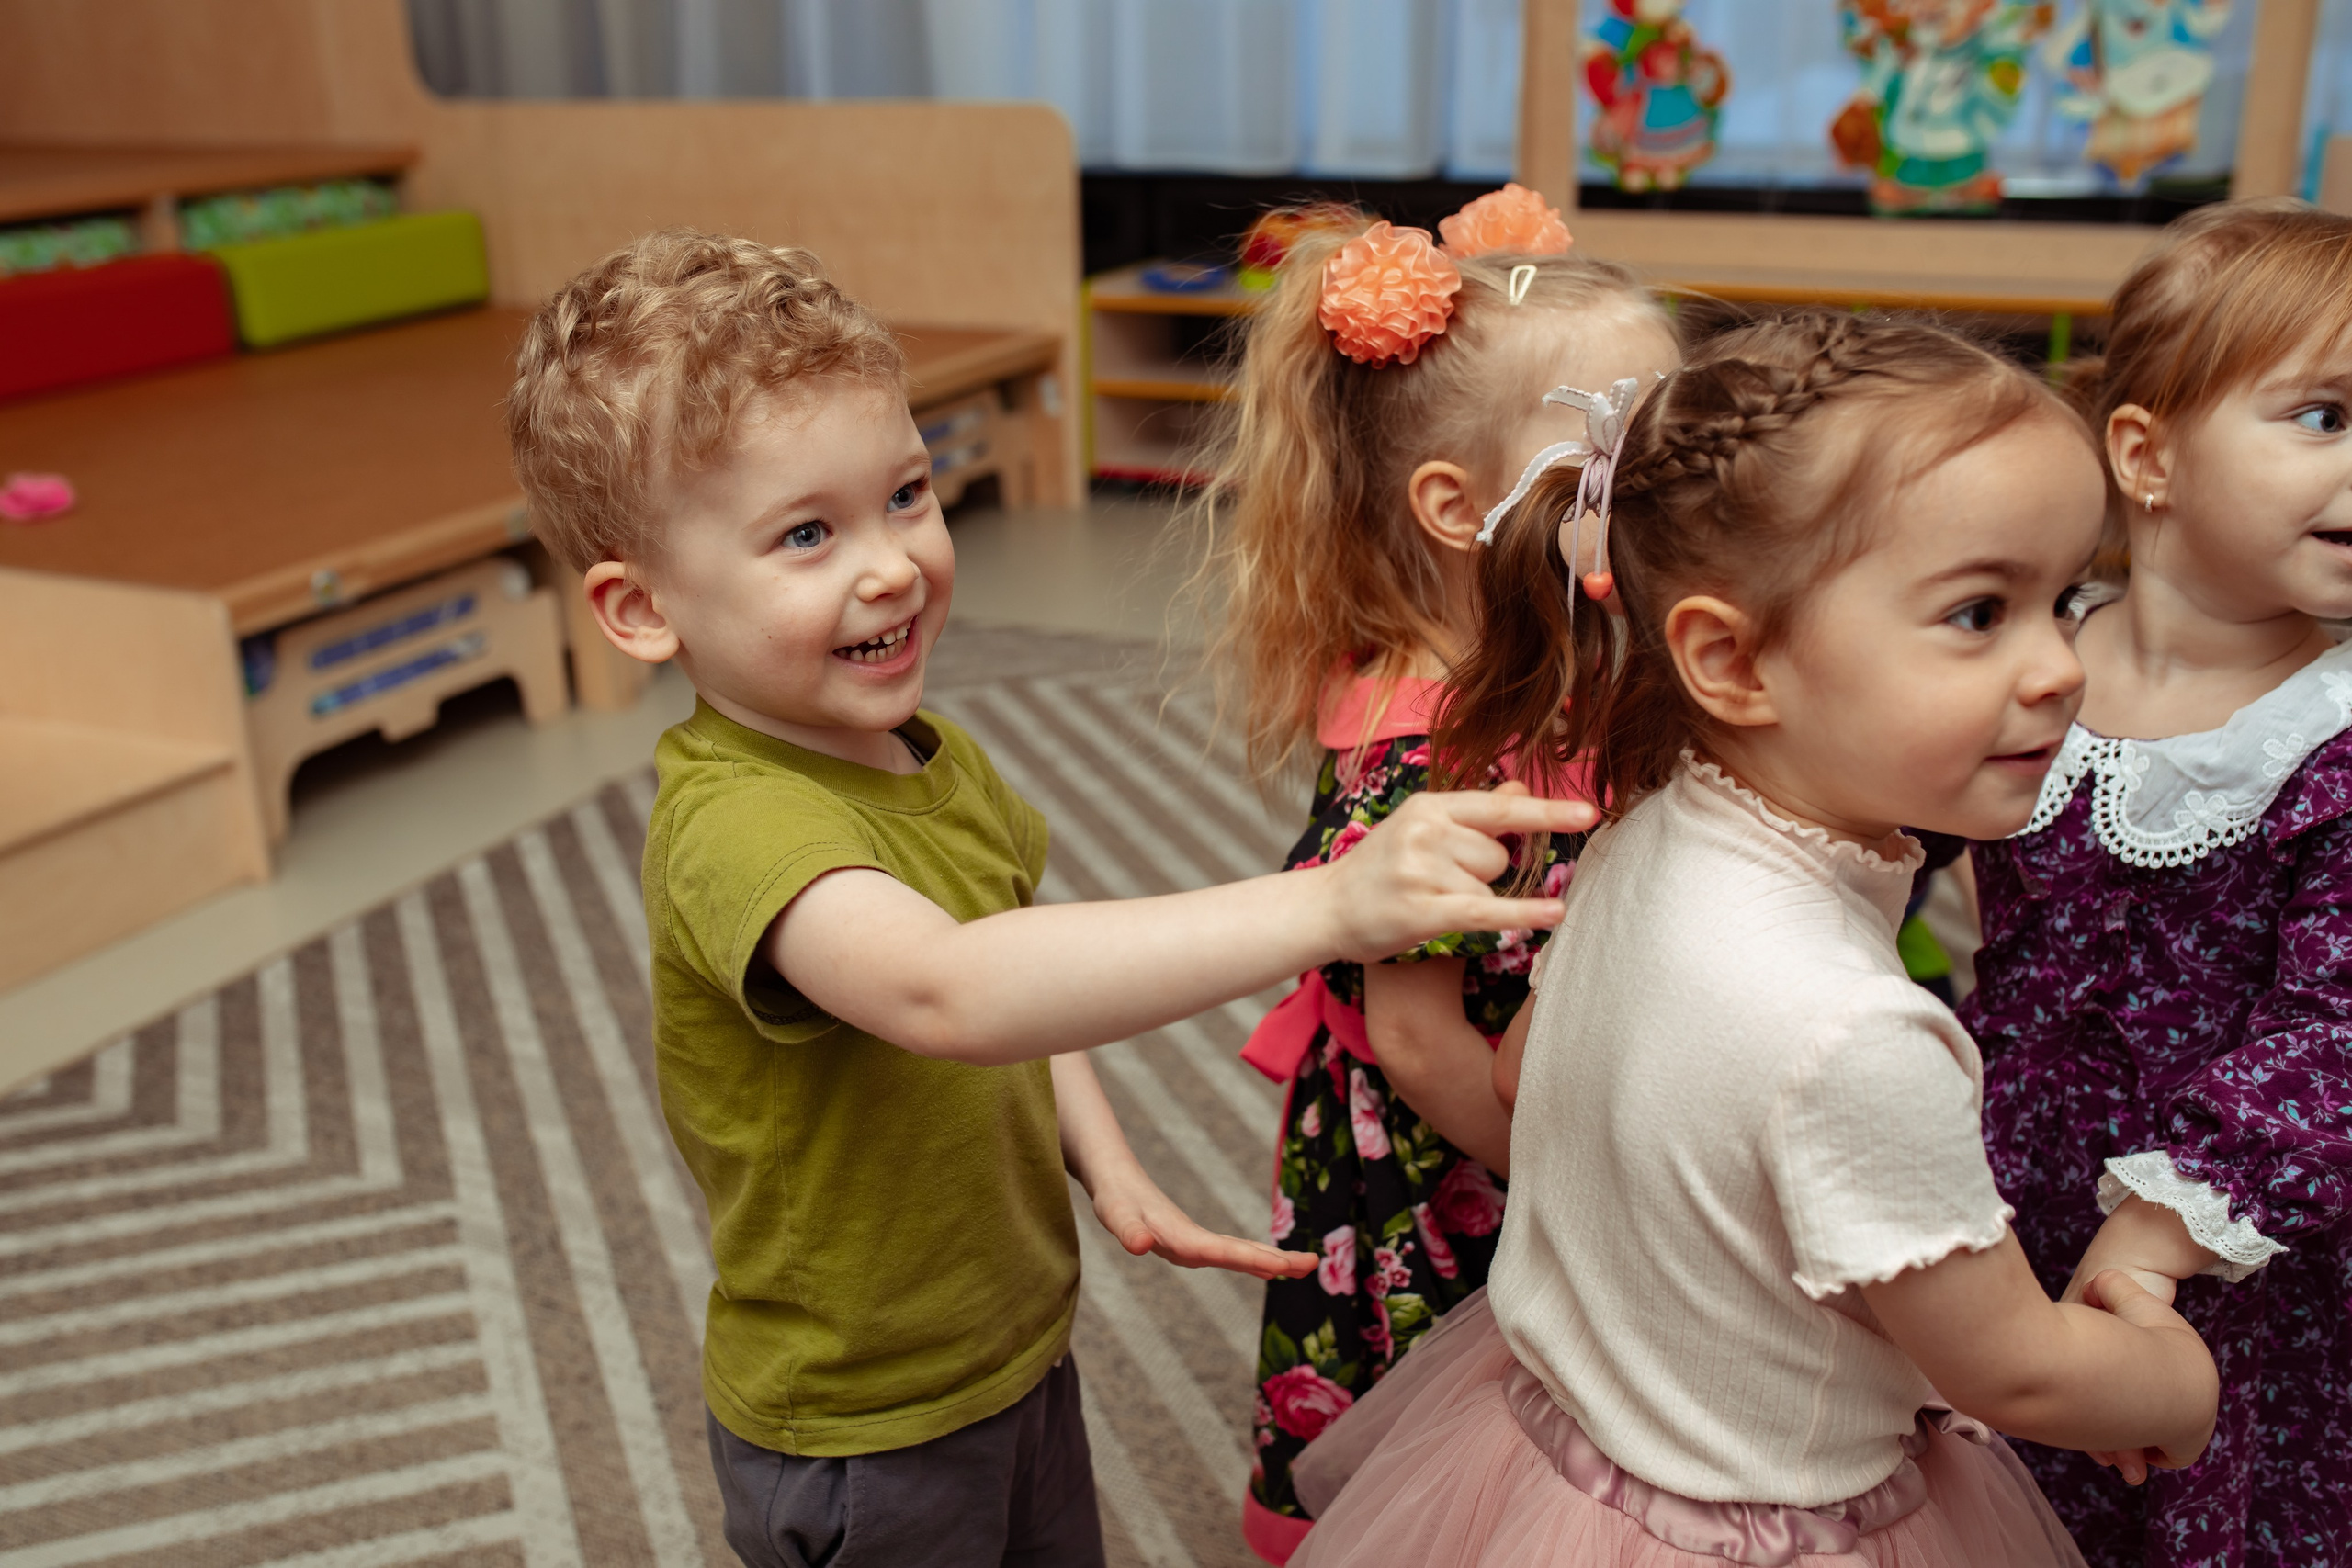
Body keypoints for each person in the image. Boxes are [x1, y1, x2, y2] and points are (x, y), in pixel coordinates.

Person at [503, 229, 1593, 1568]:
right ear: (639, 609)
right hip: (863, 1421)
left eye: (907, 495)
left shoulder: (922, 753)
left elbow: (1012, 961)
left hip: (1012, 1343)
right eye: (807, 534)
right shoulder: (735, 828)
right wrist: (1330, 906)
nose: (892, 565)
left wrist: (1107, 1163)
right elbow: (952, 990)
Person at [1287, 310, 2221, 1568]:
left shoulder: (1639, 830)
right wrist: (2171, 1381)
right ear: (1730, 660)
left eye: (2066, 600)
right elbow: (2021, 1374)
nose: (2059, 666)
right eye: (1977, 613)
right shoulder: (1855, 1030)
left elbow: (1523, 1080)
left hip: (1563, 1450)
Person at [1186, 186, 1682, 1562]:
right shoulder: (1429, 756)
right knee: (1458, 1444)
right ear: (1459, 508)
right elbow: (1415, 1040)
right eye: (1618, 460)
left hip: (1538, 1092)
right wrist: (1576, 1192)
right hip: (1452, 1156)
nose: (1668, 493)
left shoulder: (1556, 663)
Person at [1958, 198, 2352, 1568]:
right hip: (1991, 1202)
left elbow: (2338, 1035)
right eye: (2324, 415)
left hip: (2239, 1260)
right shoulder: (2029, 659)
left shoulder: (2333, 735)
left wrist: (2162, 1230)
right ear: (2147, 455)